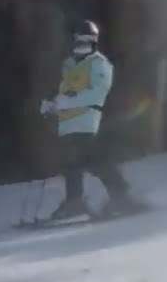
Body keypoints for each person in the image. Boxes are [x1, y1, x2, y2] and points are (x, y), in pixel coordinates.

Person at [38, 18, 143, 220]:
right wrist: (52, 105)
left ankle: (119, 196)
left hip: (87, 120)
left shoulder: (99, 63)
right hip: (67, 123)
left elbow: (96, 93)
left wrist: (66, 103)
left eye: (88, 40)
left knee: (92, 159)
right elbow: (66, 92)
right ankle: (76, 202)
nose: (83, 44)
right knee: (72, 164)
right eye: (80, 39)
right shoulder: (68, 65)